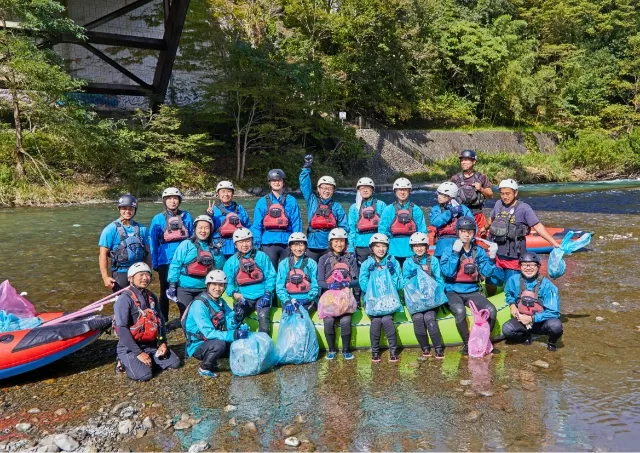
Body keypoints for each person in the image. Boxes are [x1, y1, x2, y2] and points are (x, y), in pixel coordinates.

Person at [440, 216, 503, 355]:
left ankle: (486, 341)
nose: (466, 234)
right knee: (460, 311)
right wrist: (455, 253)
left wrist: (492, 258)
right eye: (463, 231)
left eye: (469, 231)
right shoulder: (449, 250)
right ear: (458, 232)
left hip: (472, 291)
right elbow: (448, 272)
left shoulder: (478, 251)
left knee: (491, 310)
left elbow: (487, 271)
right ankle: (467, 344)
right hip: (452, 290)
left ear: (474, 233)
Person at [113, 262, 180, 381]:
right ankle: (122, 360)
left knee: (174, 363)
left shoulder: (151, 296)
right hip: (129, 347)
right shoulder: (124, 299)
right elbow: (122, 328)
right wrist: (139, 353)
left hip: (151, 344)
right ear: (130, 278)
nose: (145, 278)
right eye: (141, 275)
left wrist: (163, 342)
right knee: (145, 376)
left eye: (147, 275)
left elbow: (160, 321)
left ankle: (148, 358)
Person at [487, 179, 561, 282]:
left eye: (508, 193)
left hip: (514, 257)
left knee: (511, 285)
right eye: (502, 194)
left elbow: (538, 226)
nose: (505, 197)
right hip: (497, 255)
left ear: (515, 192)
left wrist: (553, 243)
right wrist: (484, 228)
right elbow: (492, 219)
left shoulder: (524, 208)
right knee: (491, 282)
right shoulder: (498, 204)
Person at [182, 269, 249, 378]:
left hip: (214, 338)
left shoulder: (220, 302)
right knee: (220, 345)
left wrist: (236, 318)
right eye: (214, 284)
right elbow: (208, 333)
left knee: (239, 342)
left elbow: (227, 324)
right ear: (208, 285)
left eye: (221, 285)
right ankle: (204, 367)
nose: (217, 288)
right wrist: (234, 334)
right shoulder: (199, 305)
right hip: (198, 344)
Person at [502, 252, 563, 351]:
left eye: (532, 265)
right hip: (522, 319)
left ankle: (552, 342)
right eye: (524, 265)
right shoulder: (513, 280)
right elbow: (509, 294)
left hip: (542, 322)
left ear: (538, 266)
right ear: (520, 267)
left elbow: (554, 312)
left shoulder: (548, 286)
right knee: (507, 330)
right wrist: (512, 304)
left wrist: (532, 318)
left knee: (556, 326)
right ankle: (526, 336)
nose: (528, 268)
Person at [149, 187, 194, 320]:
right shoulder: (158, 219)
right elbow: (153, 242)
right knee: (164, 290)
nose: (173, 201)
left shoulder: (187, 216)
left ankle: (184, 317)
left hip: (185, 259)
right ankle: (164, 319)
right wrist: (155, 262)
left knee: (183, 288)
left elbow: (193, 237)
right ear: (164, 201)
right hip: (165, 260)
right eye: (169, 199)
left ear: (179, 201)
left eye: (175, 198)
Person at [166, 215, 225, 318]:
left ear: (211, 230)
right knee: (186, 316)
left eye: (206, 228)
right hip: (184, 288)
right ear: (195, 229)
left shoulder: (213, 246)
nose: (203, 231)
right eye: (200, 227)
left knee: (203, 315)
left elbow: (219, 268)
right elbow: (175, 264)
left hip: (204, 288)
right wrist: (172, 284)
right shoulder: (186, 244)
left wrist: (218, 253)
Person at [223, 228, 276, 334]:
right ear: (235, 245)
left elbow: (271, 276)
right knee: (237, 316)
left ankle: (264, 342)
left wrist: (268, 293)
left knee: (263, 316)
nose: (244, 245)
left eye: (247, 241)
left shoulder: (261, 257)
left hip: (262, 296)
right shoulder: (231, 262)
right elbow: (228, 284)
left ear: (252, 241)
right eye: (241, 242)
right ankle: (234, 340)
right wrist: (234, 294)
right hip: (243, 298)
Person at [317, 228, 359, 360]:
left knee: (346, 321)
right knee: (328, 321)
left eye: (341, 241)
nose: (339, 244)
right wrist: (329, 285)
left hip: (345, 298)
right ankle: (332, 350)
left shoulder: (350, 259)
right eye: (336, 241)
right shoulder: (323, 259)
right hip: (329, 298)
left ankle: (346, 350)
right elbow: (320, 281)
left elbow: (356, 280)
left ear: (345, 243)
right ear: (330, 243)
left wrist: (347, 284)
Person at [360, 233, 403, 363]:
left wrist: (392, 273)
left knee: (387, 320)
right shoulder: (367, 263)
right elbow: (363, 284)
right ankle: (375, 351)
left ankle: (393, 351)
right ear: (372, 248)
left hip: (389, 300)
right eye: (377, 246)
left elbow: (400, 284)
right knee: (376, 322)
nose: (381, 249)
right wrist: (370, 275)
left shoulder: (393, 262)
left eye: (384, 246)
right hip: (373, 301)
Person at [402, 232, 446, 359]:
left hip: (431, 299)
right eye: (415, 246)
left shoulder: (433, 261)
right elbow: (404, 281)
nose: (419, 248)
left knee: (429, 318)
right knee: (417, 319)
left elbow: (439, 280)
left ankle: (438, 348)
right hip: (415, 299)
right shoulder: (408, 263)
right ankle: (425, 349)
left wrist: (436, 292)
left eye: (421, 245)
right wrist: (413, 277)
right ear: (412, 248)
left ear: (426, 246)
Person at [299, 154, 349, 262]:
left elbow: (344, 227)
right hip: (313, 246)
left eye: (330, 188)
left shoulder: (337, 207)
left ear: (333, 190)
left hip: (330, 247)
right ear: (318, 189)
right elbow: (304, 186)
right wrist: (306, 168)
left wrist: (343, 246)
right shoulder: (312, 201)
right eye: (324, 188)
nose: (326, 191)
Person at [251, 169, 303, 270]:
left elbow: (297, 223)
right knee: (270, 273)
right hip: (268, 243)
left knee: (288, 273)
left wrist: (297, 242)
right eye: (273, 180)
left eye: (279, 180)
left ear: (283, 182)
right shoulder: (262, 202)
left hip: (287, 243)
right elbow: (257, 225)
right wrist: (256, 245)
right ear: (270, 183)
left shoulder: (291, 201)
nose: (276, 182)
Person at [99, 194, 150, 292]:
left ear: (135, 210)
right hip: (120, 273)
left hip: (139, 273)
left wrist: (148, 272)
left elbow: (148, 253)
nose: (127, 211)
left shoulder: (142, 229)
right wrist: (105, 277)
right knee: (122, 303)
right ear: (119, 209)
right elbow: (102, 255)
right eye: (124, 208)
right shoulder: (110, 230)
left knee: (140, 302)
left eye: (131, 208)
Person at [378, 178, 427, 266]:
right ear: (395, 192)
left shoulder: (416, 210)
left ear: (409, 191)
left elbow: (422, 231)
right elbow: (382, 231)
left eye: (405, 190)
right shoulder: (388, 210)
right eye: (400, 190)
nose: (402, 192)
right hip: (393, 251)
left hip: (412, 251)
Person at [450, 150, 493, 236]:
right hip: (460, 214)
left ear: (474, 162)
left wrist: (481, 189)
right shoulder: (455, 178)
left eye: (466, 160)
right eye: (462, 160)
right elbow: (449, 197)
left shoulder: (482, 177)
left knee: (481, 240)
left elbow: (490, 195)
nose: (463, 162)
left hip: (477, 214)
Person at [276, 232, 320, 314]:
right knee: (289, 315)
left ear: (306, 246)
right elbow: (280, 286)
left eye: (301, 245)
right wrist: (287, 301)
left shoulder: (312, 263)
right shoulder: (284, 264)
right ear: (290, 247)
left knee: (300, 314)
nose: (298, 249)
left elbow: (315, 285)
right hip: (289, 299)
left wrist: (307, 299)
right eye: (295, 245)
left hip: (308, 300)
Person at [206, 181, 251, 260]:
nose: (226, 194)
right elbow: (205, 230)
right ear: (217, 194)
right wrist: (208, 215)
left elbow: (248, 227)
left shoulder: (240, 209)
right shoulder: (213, 210)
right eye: (223, 191)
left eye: (229, 191)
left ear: (232, 194)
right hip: (219, 248)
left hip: (238, 248)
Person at [430, 181, 473, 260]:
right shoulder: (436, 209)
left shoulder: (463, 209)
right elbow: (435, 222)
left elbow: (472, 226)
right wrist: (450, 212)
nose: (439, 196)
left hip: (460, 243)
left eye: (443, 195)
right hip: (442, 245)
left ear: (451, 196)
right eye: (439, 193)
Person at [347, 177, 387, 264]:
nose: (365, 190)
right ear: (358, 191)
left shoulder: (381, 205)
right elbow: (352, 229)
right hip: (361, 246)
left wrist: (385, 244)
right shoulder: (354, 208)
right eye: (362, 188)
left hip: (378, 245)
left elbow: (385, 227)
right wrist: (350, 248)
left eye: (368, 188)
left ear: (372, 190)